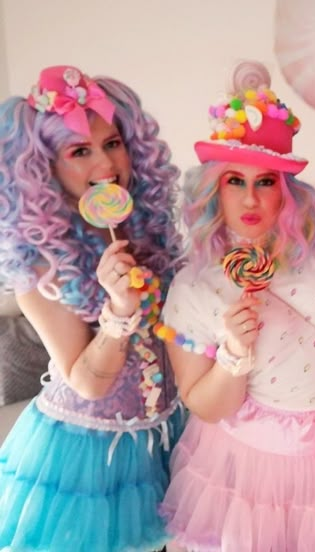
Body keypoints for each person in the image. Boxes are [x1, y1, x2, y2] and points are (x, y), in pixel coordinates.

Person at [158, 61, 315, 552]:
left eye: (266, 181)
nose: (251, 198)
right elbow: (204, 403)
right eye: (234, 180)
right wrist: (234, 354)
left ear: (286, 188)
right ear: (213, 188)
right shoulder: (194, 287)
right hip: (252, 465)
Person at [0, 65, 183, 551]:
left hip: (162, 433)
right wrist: (120, 310)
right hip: (86, 453)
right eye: (79, 151)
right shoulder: (41, 269)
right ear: (45, 167)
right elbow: (86, 380)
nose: (105, 162)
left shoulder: (148, 236)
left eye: (113, 143)